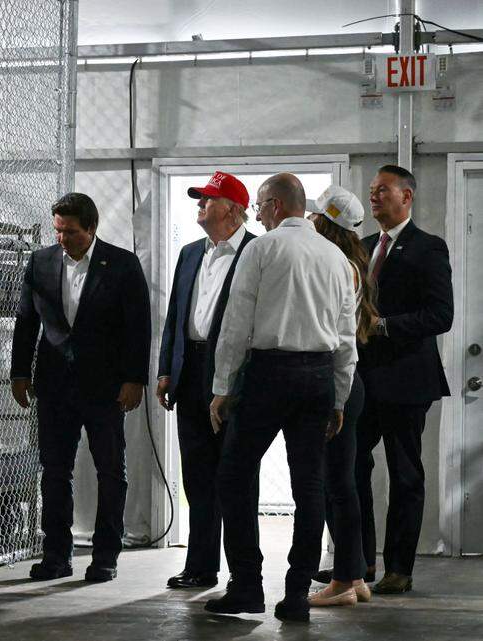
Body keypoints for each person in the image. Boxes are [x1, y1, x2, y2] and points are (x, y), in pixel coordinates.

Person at [204, 173, 357, 623]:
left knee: (233, 475)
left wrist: (222, 387)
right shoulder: (336, 258)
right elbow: (346, 338)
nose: (255, 213)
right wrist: (339, 399)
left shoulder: (262, 249)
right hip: (317, 377)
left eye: (258, 206)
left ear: (273, 205)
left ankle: (247, 585)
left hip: (269, 373)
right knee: (309, 486)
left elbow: (237, 324)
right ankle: (295, 594)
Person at [10, 192, 151, 582]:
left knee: (110, 471)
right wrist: (19, 373)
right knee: (54, 470)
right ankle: (56, 554)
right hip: (54, 387)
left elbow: (138, 327)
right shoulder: (39, 263)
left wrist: (134, 378)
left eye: (70, 232)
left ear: (91, 228)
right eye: (57, 230)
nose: (62, 238)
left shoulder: (122, 265)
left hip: (105, 387)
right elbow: (26, 322)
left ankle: (106, 556)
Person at [356, 165, 453, 595]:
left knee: (405, 474)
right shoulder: (360, 247)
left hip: (406, 380)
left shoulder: (428, 248)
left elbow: (440, 316)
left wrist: (384, 326)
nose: (373, 196)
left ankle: (399, 568)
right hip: (361, 378)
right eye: (372, 190)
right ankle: (356, 565)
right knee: (351, 467)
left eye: (382, 190)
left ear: (406, 197)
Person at [156, 171, 256, 590]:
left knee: (235, 477)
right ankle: (200, 566)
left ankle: (243, 573)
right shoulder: (190, 253)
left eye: (208, 199)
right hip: (190, 370)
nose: (200, 204)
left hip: (233, 376)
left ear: (233, 210)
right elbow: (176, 315)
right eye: (199, 198)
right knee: (197, 475)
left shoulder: (257, 252)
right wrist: (166, 368)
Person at [303, 185, 378, 607]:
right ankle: (356, 573)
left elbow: (338, 338)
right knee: (343, 482)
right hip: (349, 383)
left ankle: (345, 580)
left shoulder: (336, 265)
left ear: (325, 223)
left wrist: (336, 397)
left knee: (337, 485)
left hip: (339, 383)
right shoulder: (354, 262)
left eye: (316, 217)